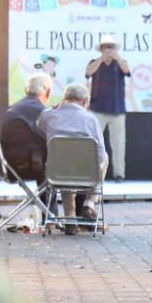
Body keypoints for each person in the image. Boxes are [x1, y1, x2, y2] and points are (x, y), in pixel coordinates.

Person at [37, 82, 107, 227]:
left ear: (64, 98)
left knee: (64, 164)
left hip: (57, 172)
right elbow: (99, 155)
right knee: (105, 157)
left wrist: (53, 109)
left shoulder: (49, 115)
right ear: (84, 101)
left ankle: (70, 217)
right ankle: (89, 203)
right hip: (86, 172)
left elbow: (39, 127)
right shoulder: (91, 119)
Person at [85, 35, 131, 179]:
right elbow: (88, 73)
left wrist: (117, 58)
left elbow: (127, 71)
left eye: (110, 47)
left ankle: (119, 174)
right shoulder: (94, 62)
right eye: (105, 47)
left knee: (118, 144)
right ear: (101, 49)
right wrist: (101, 59)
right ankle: (91, 173)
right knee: (93, 143)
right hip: (97, 109)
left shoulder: (121, 62)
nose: (108, 50)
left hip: (117, 110)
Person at [0, 73, 52, 183]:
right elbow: (49, 139)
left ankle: (44, 200)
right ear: (47, 91)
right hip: (29, 165)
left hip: (11, 165)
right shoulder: (39, 110)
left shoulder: (15, 107)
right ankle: (48, 200)